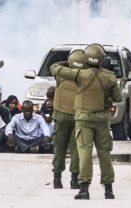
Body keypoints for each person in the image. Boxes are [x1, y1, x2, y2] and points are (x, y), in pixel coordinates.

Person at [51, 43, 122, 200]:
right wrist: (106, 98)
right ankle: (108, 189)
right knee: (104, 154)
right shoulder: (109, 76)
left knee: (84, 153)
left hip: (83, 120)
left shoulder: (80, 75)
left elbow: (54, 69)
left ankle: (84, 188)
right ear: (102, 59)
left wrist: (69, 63)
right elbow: (118, 98)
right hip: (102, 120)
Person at [51, 49, 86, 190]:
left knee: (59, 148)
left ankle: (57, 179)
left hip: (61, 116)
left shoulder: (61, 76)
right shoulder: (85, 77)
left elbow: (54, 66)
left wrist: (69, 62)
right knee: (76, 149)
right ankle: (74, 180)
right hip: (78, 117)